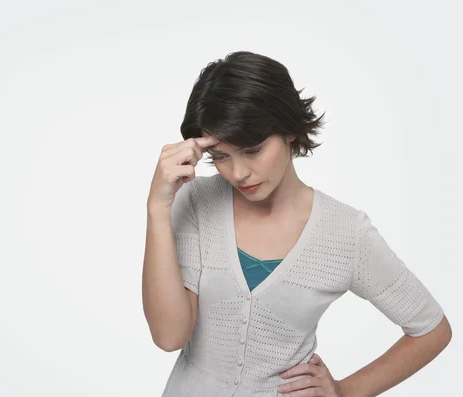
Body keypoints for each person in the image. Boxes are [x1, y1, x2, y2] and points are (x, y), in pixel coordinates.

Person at [142, 51, 452, 397]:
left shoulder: (346, 234)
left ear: (289, 131)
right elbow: (169, 336)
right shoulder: (197, 201)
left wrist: (345, 391)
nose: (238, 173)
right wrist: (157, 207)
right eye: (221, 156)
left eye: (253, 149)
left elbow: (432, 329)